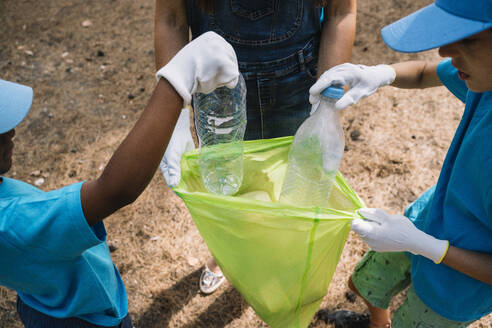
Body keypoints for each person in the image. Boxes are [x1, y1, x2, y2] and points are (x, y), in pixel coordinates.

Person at [0, 32, 239, 328]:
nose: (11, 132)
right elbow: (115, 189)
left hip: (43, 299)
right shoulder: (11, 223)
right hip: (83, 318)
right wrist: (176, 83)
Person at [309, 0, 492, 327]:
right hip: (428, 220)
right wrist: (378, 74)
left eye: (467, 39)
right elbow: (424, 73)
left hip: (453, 288)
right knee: (366, 282)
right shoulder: (484, 79)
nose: (445, 51)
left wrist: (428, 247)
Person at [155, 0, 357, 294]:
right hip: (217, 98)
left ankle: (283, 255)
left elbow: (342, 12)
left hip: (300, 90)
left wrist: (329, 98)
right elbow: (171, 18)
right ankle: (231, 255)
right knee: (227, 187)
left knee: (293, 184)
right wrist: (171, 112)